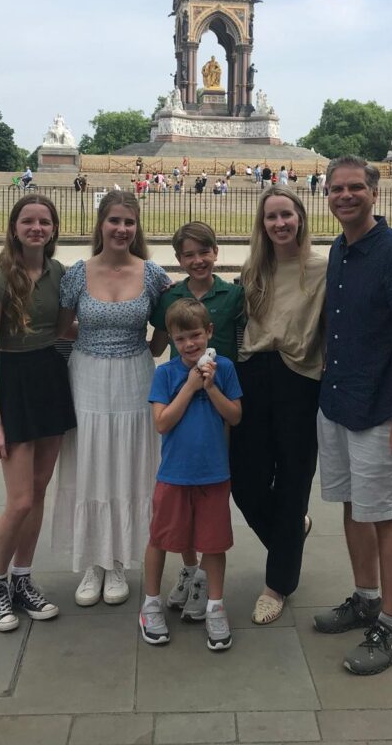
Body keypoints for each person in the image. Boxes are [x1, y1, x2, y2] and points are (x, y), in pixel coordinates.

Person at [313, 156, 392, 676]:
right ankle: (366, 597)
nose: (345, 195)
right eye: (336, 188)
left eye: (355, 187)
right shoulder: (340, 249)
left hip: (381, 408)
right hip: (339, 403)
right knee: (352, 506)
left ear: (375, 192)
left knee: (385, 512)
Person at [51, 191, 171, 609]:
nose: (122, 229)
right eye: (114, 221)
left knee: (129, 465)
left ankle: (118, 559)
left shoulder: (153, 274)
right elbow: (63, 328)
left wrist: (147, 344)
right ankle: (93, 562)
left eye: (129, 223)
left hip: (136, 377)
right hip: (86, 376)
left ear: (137, 228)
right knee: (91, 462)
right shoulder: (77, 274)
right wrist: (96, 339)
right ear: (101, 224)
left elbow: (167, 329)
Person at [0, 195, 76, 632]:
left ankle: (22, 578)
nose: (36, 228)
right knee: (18, 501)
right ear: (14, 227)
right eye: (28, 221)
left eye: (44, 222)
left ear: (54, 229)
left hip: (49, 378)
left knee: (38, 492)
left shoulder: (61, 273)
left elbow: (62, 330)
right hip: (13, 384)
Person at [230, 186, 328, 625]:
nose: (280, 223)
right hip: (254, 374)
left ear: (301, 217)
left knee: (292, 482)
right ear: (262, 224)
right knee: (245, 482)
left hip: (300, 378)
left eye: (286, 215)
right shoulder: (254, 270)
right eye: (271, 217)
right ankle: (291, 535)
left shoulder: (324, 269)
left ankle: (278, 584)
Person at [150, 222, 246, 620]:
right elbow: (158, 341)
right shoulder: (172, 294)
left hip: (220, 390)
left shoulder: (234, 294)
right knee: (181, 500)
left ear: (216, 252)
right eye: (188, 255)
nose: (197, 260)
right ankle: (191, 571)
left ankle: (206, 580)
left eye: (203, 252)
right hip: (181, 395)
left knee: (212, 493)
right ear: (179, 260)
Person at [140, 299, 242, 649]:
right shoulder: (166, 373)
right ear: (171, 340)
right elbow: (161, 422)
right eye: (181, 339)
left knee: (213, 544)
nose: (189, 345)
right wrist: (190, 386)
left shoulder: (224, 368)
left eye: (196, 336)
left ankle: (215, 606)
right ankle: (150, 603)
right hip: (174, 474)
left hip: (214, 474)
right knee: (161, 539)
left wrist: (211, 386)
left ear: (209, 333)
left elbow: (235, 416)